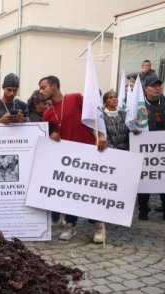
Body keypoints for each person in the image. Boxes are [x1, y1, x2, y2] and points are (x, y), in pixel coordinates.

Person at [39, 75, 107, 243]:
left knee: (91, 190)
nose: (41, 91)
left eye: (43, 87)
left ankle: (99, 224)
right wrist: (52, 137)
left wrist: (100, 134)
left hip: (88, 150)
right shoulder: (47, 113)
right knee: (70, 192)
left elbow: (95, 114)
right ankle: (70, 224)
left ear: (54, 86)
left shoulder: (75, 98)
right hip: (67, 156)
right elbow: (48, 138)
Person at [135, 74, 165, 223]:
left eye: (159, 85)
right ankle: (143, 210)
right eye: (153, 85)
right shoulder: (139, 105)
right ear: (145, 88)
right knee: (144, 180)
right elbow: (130, 124)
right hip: (145, 149)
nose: (157, 88)